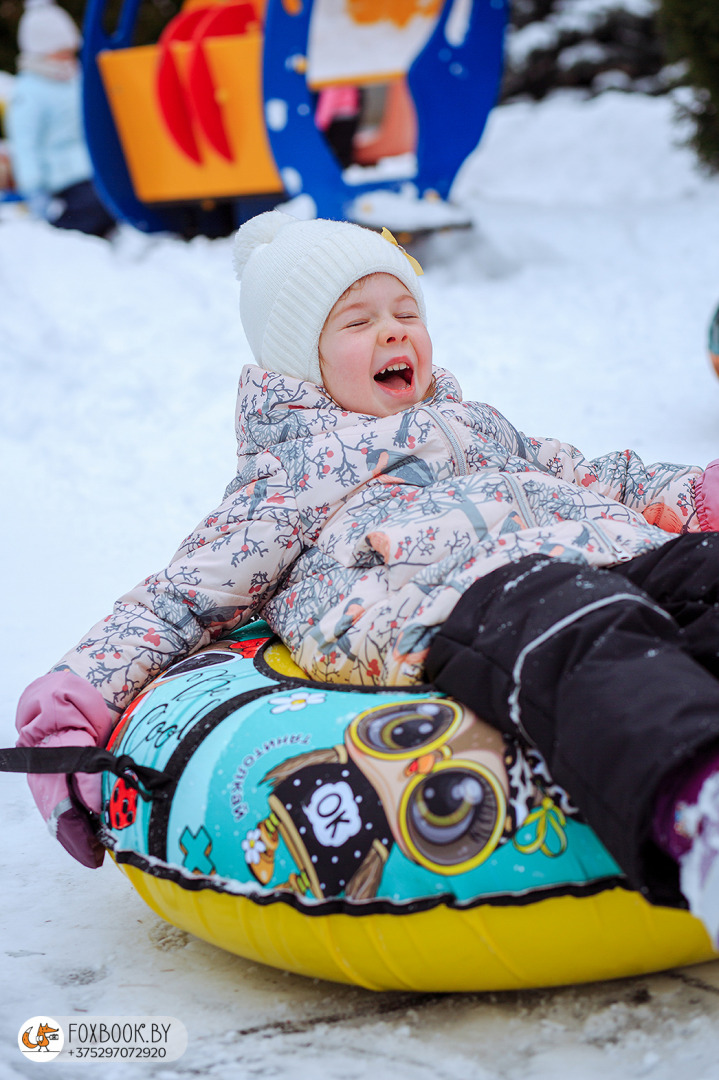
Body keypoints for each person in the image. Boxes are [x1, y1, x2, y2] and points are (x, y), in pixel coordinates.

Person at [14, 210, 719, 949]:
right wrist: (69, 705)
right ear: (300, 361)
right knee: (581, 631)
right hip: (453, 594)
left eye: (406, 311)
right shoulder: (289, 475)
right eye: (357, 321)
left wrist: (698, 495)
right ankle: (695, 808)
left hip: (602, 549)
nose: (393, 331)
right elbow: (181, 596)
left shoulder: (472, 422)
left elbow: (594, 474)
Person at [6, 0, 115, 238]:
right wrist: (33, 187)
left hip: (94, 168)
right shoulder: (30, 92)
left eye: (70, 51)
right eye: (60, 53)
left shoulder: (76, 79)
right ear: (42, 54)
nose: (67, 58)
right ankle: (58, 240)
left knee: (114, 198)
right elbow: (26, 145)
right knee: (95, 206)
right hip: (61, 178)